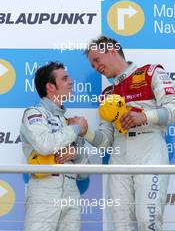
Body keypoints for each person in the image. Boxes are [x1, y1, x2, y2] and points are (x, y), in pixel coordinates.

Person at [84, 36, 175, 231]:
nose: (95, 67)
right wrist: (85, 133)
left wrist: (145, 117)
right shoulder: (108, 94)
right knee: (121, 224)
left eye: (96, 60)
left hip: (149, 151)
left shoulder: (150, 73)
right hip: (118, 156)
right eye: (92, 65)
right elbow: (105, 141)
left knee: (147, 221)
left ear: (111, 51)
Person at [20, 61, 89, 231]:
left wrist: (76, 155)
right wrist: (77, 128)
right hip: (44, 195)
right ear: (50, 87)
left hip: (71, 195)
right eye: (65, 79)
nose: (71, 82)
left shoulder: (69, 122)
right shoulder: (35, 114)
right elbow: (45, 145)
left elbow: (84, 174)